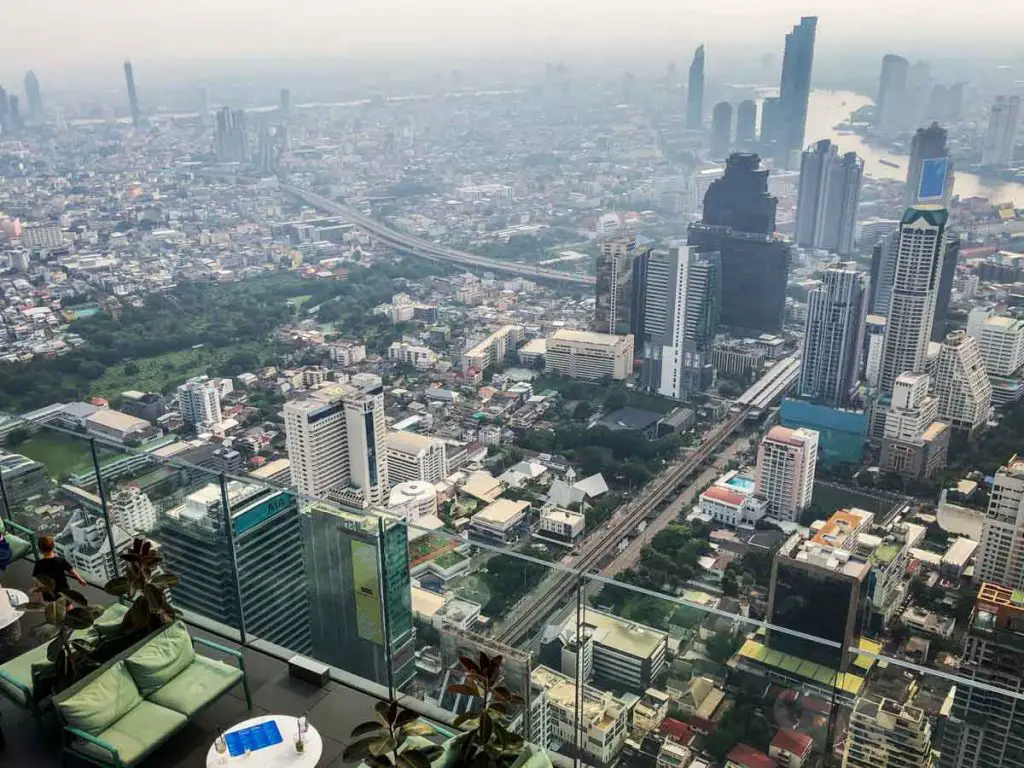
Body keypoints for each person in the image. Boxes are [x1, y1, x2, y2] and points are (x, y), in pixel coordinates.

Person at [32, 535, 86, 601]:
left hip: (49, 593)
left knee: (52, 608)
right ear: (53, 546)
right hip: (63, 591)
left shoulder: (39, 564)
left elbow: (36, 579)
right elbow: (71, 570)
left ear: (40, 549)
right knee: (68, 606)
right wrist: (80, 579)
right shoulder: (60, 560)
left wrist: (37, 593)